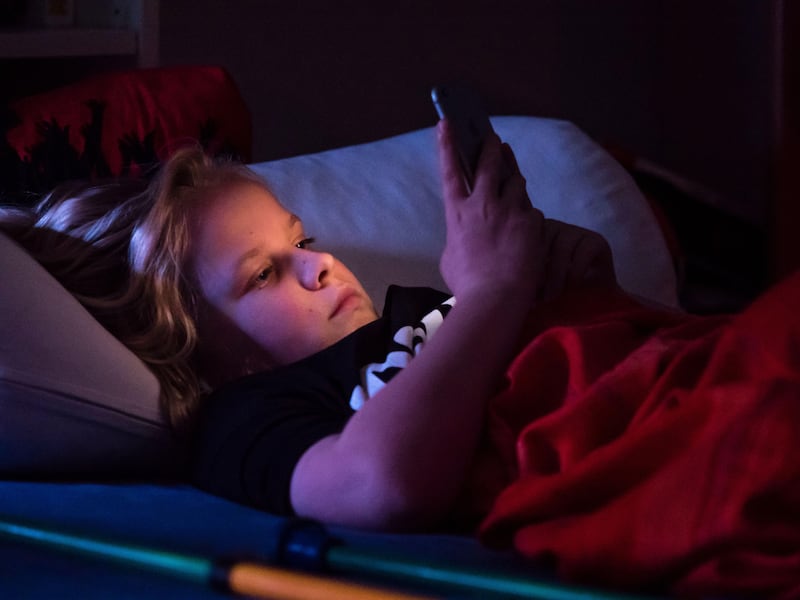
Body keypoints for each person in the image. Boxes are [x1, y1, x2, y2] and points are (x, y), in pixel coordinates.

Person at [3, 121, 799, 597]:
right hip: (693, 436)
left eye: (301, 241)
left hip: (696, 367)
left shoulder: (415, 315)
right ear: (192, 344)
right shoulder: (246, 416)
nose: (319, 266)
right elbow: (381, 487)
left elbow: (641, 358)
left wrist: (588, 287)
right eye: (264, 274)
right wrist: (492, 291)